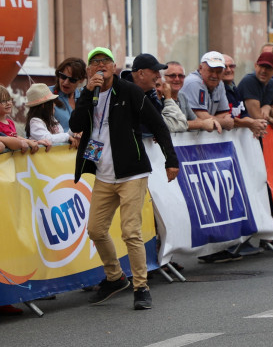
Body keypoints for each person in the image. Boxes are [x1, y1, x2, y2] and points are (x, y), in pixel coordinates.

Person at [70, 47, 180, 311]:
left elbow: (157, 124)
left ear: (114, 66)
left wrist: (171, 160)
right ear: (88, 70)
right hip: (104, 173)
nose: (100, 66)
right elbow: (76, 125)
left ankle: (141, 287)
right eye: (94, 63)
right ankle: (115, 277)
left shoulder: (129, 91)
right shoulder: (89, 94)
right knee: (96, 229)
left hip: (132, 172)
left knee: (130, 231)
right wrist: (87, 92)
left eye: (104, 61)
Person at [129, 53, 188, 133]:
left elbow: (181, 124)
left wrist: (168, 99)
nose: (159, 76)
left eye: (181, 76)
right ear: (141, 73)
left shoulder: (151, 95)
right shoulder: (121, 91)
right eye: (155, 71)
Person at [179, 52, 235, 132]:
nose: (214, 75)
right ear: (200, 68)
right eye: (211, 71)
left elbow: (225, 113)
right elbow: (201, 116)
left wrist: (213, 120)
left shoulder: (220, 83)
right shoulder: (194, 82)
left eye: (219, 72)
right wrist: (225, 123)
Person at [236, 52, 273, 134]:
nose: (263, 71)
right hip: (241, 133)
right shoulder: (249, 81)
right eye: (261, 66)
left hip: (254, 132)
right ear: (255, 66)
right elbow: (256, 116)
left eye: (268, 68)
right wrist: (269, 118)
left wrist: (267, 107)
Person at [51, 57, 86, 132]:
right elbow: (34, 127)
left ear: (81, 80)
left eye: (72, 80)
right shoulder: (47, 94)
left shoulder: (83, 98)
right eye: (63, 77)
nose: (66, 82)